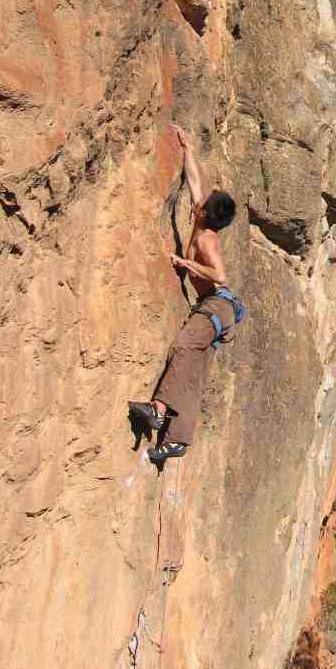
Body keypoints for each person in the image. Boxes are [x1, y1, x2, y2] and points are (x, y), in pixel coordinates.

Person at [129, 124, 239, 463]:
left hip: (217, 308)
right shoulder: (201, 219)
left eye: (202, 203)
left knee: (182, 346)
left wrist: (186, 264)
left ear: (206, 213)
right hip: (217, 311)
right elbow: (194, 182)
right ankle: (175, 441)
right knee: (191, 373)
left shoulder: (207, 240)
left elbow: (220, 275)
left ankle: (158, 410)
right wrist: (187, 147)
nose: (198, 200)